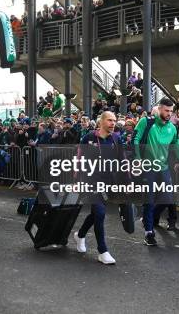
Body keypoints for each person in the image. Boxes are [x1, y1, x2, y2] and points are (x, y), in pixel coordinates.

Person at [133, 98, 179, 246]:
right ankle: (149, 232)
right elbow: (135, 139)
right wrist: (138, 158)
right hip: (148, 167)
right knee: (149, 200)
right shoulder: (146, 122)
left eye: (171, 111)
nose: (169, 114)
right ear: (159, 109)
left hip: (163, 168)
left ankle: (147, 217)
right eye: (166, 111)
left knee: (168, 198)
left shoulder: (172, 128)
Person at [74, 111, 122, 265]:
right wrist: (76, 181)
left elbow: (123, 161)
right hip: (91, 181)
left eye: (114, 120)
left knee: (96, 214)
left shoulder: (116, 138)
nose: (113, 123)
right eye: (109, 120)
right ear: (101, 121)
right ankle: (103, 251)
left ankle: (80, 235)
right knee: (100, 213)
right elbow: (79, 159)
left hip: (108, 182)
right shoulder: (88, 138)